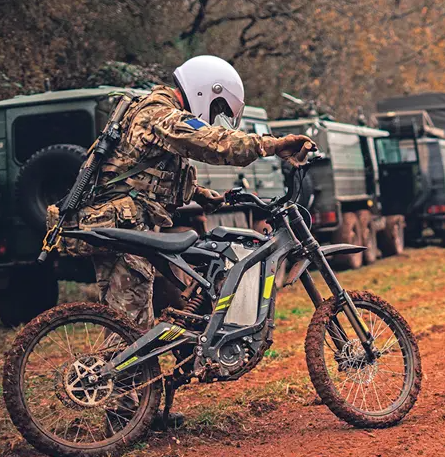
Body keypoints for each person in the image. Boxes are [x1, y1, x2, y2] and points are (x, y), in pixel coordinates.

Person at [79, 56, 315, 428]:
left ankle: (148, 408)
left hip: (138, 226)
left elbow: (147, 172)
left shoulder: (158, 112)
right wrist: (271, 145)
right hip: (124, 226)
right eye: (218, 107)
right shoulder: (159, 111)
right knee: (131, 321)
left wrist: (204, 195)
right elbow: (210, 142)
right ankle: (121, 418)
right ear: (209, 89)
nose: (215, 116)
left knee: (174, 305)